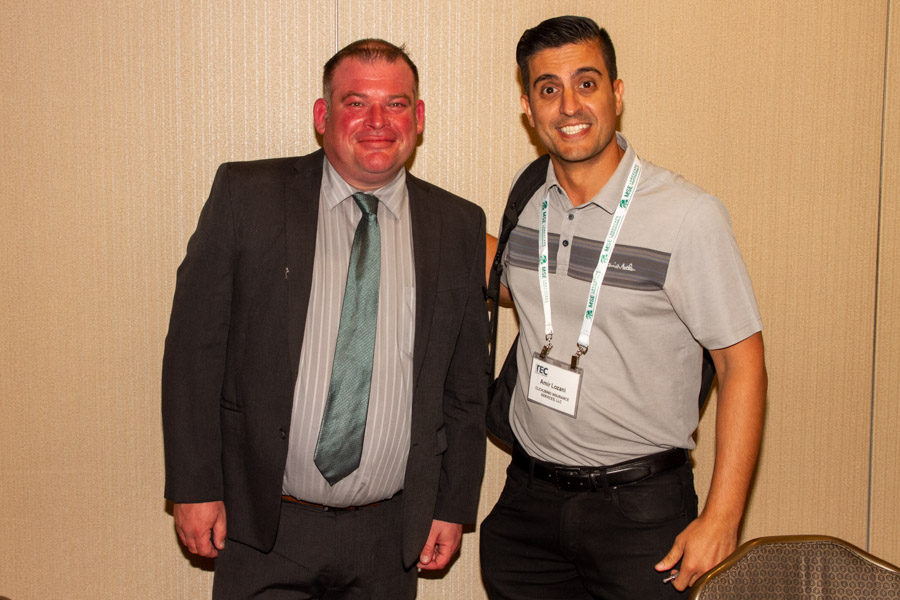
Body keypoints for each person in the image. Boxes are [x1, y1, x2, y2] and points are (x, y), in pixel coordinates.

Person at [162, 38, 489, 599]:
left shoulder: (457, 224)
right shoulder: (248, 197)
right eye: (356, 102)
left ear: (419, 117)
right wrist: (194, 487)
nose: (378, 121)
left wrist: (453, 504)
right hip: (262, 527)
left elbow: (465, 385)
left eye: (396, 104)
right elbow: (194, 352)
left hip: (389, 537)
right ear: (323, 115)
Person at [480, 16, 767, 599]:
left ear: (616, 92)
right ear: (529, 108)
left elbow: (742, 364)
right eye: (549, 89)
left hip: (641, 514)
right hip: (528, 507)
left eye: (586, 83)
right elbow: (517, 283)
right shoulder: (529, 202)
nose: (569, 106)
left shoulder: (687, 216)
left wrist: (722, 517)